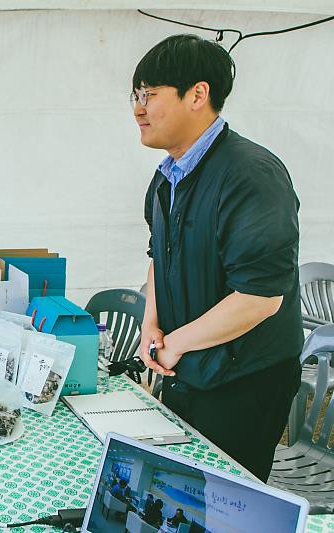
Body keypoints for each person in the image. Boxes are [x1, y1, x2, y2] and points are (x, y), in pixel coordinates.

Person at [133, 34, 303, 482]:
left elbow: (260, 296)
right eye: (134, 95)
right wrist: (152, 325)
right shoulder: (166, 178)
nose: (137, 108)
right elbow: (159, 257)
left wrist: (175, 344)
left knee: (226, 504)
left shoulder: (250, 174)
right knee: (182, 494)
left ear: (198, 94)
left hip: (244, 379)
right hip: (189, 367)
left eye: (149, 94)